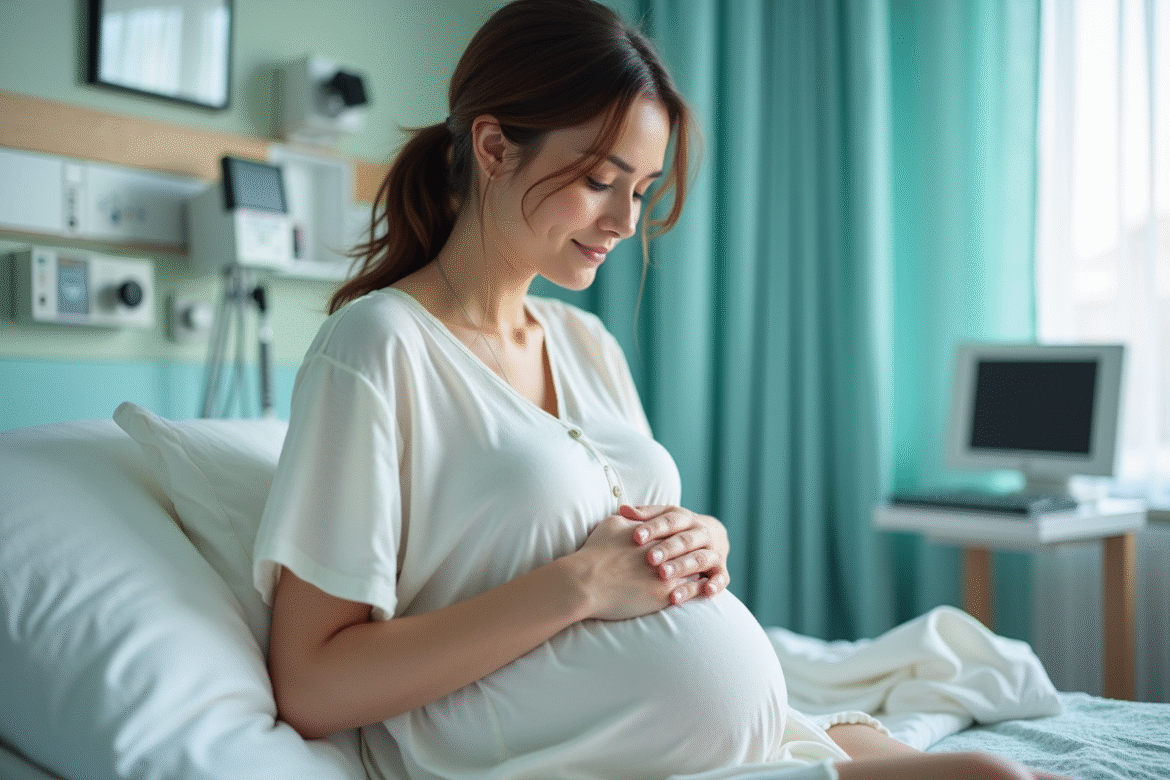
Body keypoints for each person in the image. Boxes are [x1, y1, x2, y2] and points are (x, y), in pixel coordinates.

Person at [254, 2, 1072, 779]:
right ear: (496, 148)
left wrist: (699, 542)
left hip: (729, 732)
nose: (625, 221)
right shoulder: (378, 347)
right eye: (601, 180)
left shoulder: (585, 343)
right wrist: (580, 586)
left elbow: (616, 534)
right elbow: (315, 684)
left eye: (641, 190)